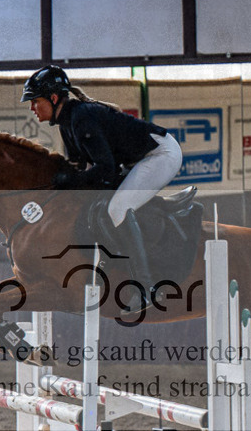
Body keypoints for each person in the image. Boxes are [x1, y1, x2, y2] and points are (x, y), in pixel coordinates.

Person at [21, 65, 183, 312]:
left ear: (54, 98)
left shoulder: (81, 117)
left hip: (160, 154)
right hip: (138, 159)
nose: (32, 108)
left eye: (35, 101)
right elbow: (80, 167)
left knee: (118, 209)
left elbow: (104, 168)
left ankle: (147, 287)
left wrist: (71, 181)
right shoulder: (67, 123)